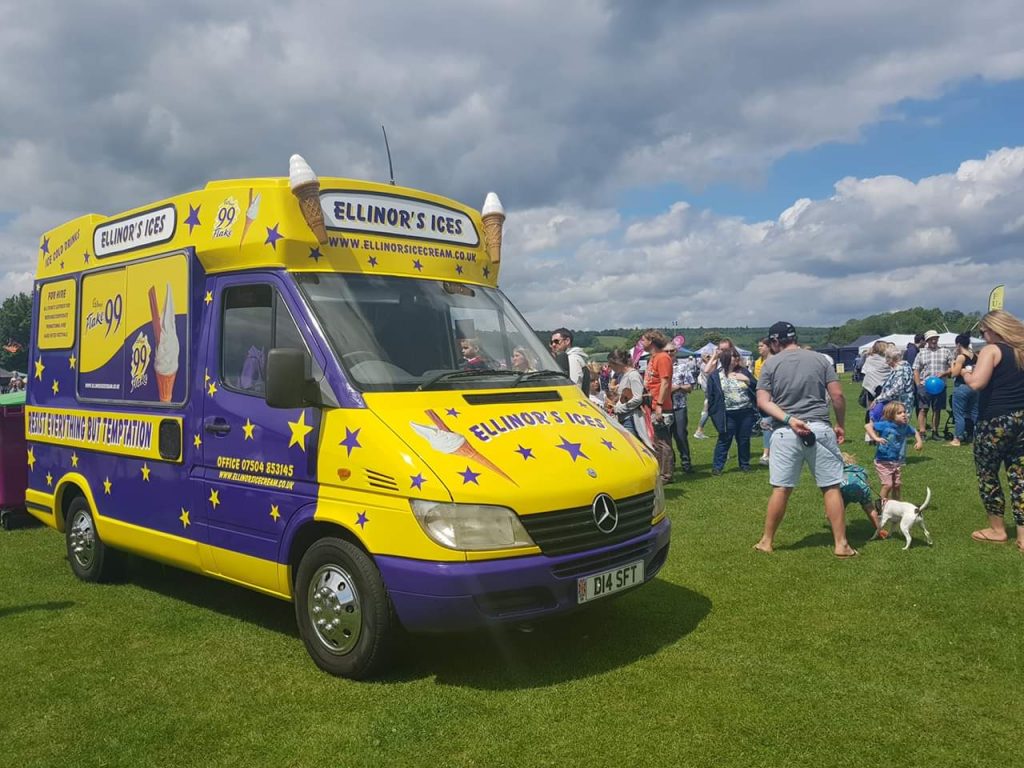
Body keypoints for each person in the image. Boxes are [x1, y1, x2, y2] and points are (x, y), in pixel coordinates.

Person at [753, 321, 856, 558]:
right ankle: (841, 544)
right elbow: (837, 395)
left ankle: (766, 541)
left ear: (775, 341)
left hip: (784, 432)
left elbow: (763, 401)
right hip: (819, 427)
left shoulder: (770, 364)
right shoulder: (821, 360)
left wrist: (789, 419)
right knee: (830, 487)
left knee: (781, 488)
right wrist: (840, 424)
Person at [962, 310, 1024, 550]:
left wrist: (967, 372)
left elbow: (978, 383)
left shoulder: (992, 350)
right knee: (1019, 477)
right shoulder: (1020, 351)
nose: (982, 336)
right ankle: (1022, 535)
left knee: (988, 474)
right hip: (1021, 417)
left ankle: (997, 529)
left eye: (983, 331)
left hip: (995, 421)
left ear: (994, 329)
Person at [705, 347, 757, 475]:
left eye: (737, 356)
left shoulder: (744, 371)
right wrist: (713, 411)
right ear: (726, 358)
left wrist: (747, 380)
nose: (737, 359)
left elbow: (757, 386)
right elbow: (710, 395)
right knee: (725, 439)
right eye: (734, 356)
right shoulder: (716, 376)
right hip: (727, 413)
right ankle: (717, 467)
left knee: (744, 439)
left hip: (745, 411)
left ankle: (744, 464)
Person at [865, 401, 924, 502]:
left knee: (897, 485)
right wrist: (876, 438)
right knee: (888, 485)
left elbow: (915, 431)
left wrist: (919, 442)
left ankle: (897, 506)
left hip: (896, 461)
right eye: (899, 413)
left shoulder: (905, 427)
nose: (904, 414)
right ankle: (881, 507)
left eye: (904, 412)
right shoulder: (885, 425)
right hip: (883, 460)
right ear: (891, 415)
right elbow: (868, 426)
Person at [641, 330, 675, 482]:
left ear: (652, 341)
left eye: (644, 340)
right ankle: (661, 471)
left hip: (660, 405)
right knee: (656, 441)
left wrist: (660, 404)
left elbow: (665, 382)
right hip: (652, 404)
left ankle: (666, 474)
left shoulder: (662, 358)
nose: (642, 343)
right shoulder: (653, 358)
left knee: (663, 441)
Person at [606, 348, 653, 450]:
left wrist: (619, 409)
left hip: (632, 419)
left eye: (611, 365)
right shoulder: (624, 375)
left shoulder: (633, 375)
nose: (611, 368)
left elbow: (637, 398)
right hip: (625, 417)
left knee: (633, 448)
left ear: (617, 363)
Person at [913, 330, 953, 440]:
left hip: (940, 386)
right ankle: (922, 432)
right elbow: (916, 369)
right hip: (925, 385)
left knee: (937, 409)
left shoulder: (945, 351)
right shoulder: (921, 353)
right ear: (927, 341)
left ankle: (935, 432)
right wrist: (918, 384)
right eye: (931, 339)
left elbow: (952, 367)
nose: (934, 340)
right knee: (922, 409)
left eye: (936, 338)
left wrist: (944, 373)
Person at [840, 452, 885, 536]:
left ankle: (839, 531)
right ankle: (879, 529)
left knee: (839, 510)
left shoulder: (839, 470)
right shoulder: (859, 469)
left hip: (846, 490)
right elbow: (866, 479)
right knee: (870, 508)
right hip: (863, 489)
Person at [667, 341, 694, 473]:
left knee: (680, 435)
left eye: (671, 351)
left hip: (679, 406)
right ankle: (670, 464)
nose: (669, 354)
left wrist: (678, 387)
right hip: (665, 407)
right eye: (666, 351)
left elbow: (690, 387)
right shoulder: (660, 366)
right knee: (666, 438)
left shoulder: (683, 367)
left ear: (676, 351)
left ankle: (686, 462)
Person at [948, 332, 978, 447]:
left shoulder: (961, 357)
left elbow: (954, 374)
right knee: (974, 413)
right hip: (974, 387)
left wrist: (952, 364)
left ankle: (957, 438)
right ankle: (975, 437)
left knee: (959, 414)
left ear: (958, 344)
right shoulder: (975, 355)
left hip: (962, 387)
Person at [860, 340, 892, 440]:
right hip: (883, 389)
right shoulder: (887, 361)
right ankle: (880, 433)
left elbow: (864, 371)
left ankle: (869, 434)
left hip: (870, 388)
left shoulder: (869, 359)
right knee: (884, 411)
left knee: (870, 410)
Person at [875, 346, 916, 417]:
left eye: (886, 358)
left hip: (899, 407)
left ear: (891, 359)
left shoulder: (901, 370)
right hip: (899, 405)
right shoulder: (903, 367)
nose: (886, 361)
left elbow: (896, 389)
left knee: (895, 427)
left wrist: (878, 399)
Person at [753, 337, 773, 465]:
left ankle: (767, 454)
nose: (759, 348)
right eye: (758, 346)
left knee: (767, 424)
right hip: (761, 397)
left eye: (761, 346)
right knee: (766, 425)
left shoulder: (775, 361)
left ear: (768, 346)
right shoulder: (757, 362)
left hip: (774, 398)